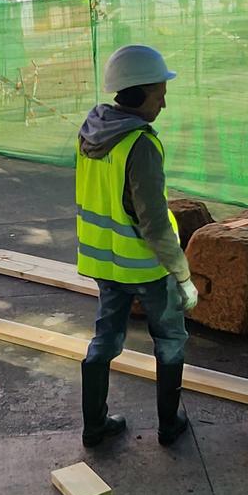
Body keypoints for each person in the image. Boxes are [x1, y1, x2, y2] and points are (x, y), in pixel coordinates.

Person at [75, 45, 199, 448]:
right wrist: (182, 275)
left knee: (105, 341)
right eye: (159, 92)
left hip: (103, 262)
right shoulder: (139, 144)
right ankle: (169, 424)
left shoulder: (93, 130)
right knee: (170, 340)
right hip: (145, 267)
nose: (164, 101)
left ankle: (94, 426)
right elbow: (155, 222)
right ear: (140, 91)